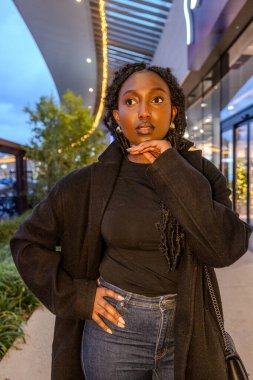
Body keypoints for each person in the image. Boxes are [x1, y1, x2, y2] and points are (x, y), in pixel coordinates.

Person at [10, 62, 252, 380]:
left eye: (156, 99)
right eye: (130, 101)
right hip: (116, 331)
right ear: (116, 115)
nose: (144, 112)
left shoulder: (202, 175)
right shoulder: (84, 184)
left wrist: (170, 166)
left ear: (174, 111)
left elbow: (223, 249)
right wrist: (78, 296)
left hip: (188, 327)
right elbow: (26, 243)